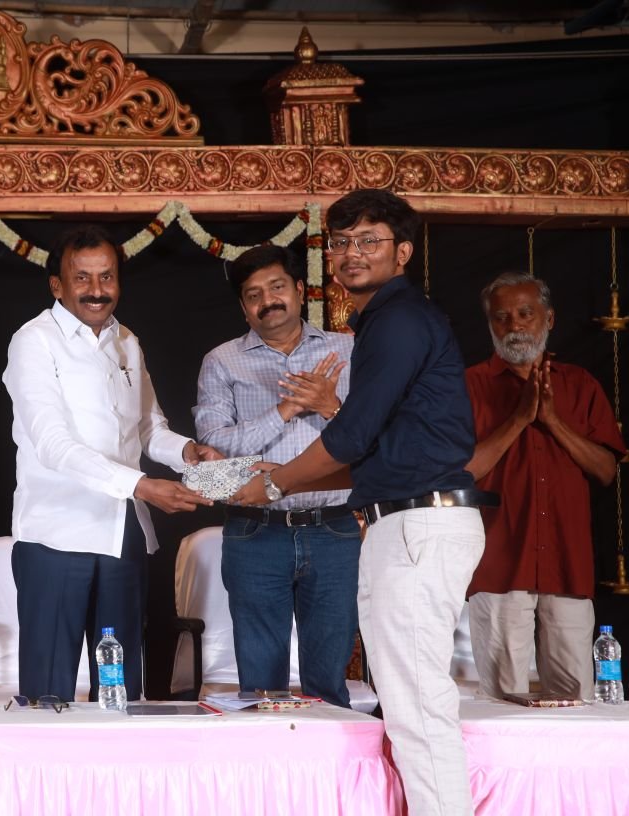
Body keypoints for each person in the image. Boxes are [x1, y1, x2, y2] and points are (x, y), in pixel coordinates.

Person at [229, 189, 492, 816]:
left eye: (369, 240)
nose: (352, 253)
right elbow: (377, 449)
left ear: (402, 252)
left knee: (418, 705)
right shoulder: (385, 322)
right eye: (341, 242)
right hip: (404, 519)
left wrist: (274, 485)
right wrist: (281, 478)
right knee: (407, 703)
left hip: (419, 522)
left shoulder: (400, 321)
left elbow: (350, 436)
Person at [4, 224, 219, 702]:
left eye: (107, 277)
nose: (96, 290)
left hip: (123, 534)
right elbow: (53, 445)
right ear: (57, 285)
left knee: (119, 689)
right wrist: (142, 485)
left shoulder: (127, 341)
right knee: (49, 694)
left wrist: (187, 452)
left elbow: (148, 428)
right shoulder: (34, 341)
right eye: (82, 278)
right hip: (57, 535)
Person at [193, 243, 359, 707]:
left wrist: (329, 405)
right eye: (254, 294)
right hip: (255, 532)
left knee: (329, 682)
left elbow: (371, 438)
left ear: (300, 290)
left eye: (277, 287)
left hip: (334, 530)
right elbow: (216, 445)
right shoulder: (222, 361)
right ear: (244, 308)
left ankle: (332, 755)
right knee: (261, 688)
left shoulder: (347, 350)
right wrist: (284, 410)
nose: (268, 300)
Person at [464, 272, 624, 702]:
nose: (514, 325)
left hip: (567, 563)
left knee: (577, 700)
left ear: (549, 319)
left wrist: (552, 421)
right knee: (501, 702)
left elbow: (606, 470)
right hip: (499, 563)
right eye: (501, 317)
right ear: (490, 325)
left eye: (525, 314)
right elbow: (463, 471)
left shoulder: (579, 384)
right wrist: (519, 418)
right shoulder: (469, 385)